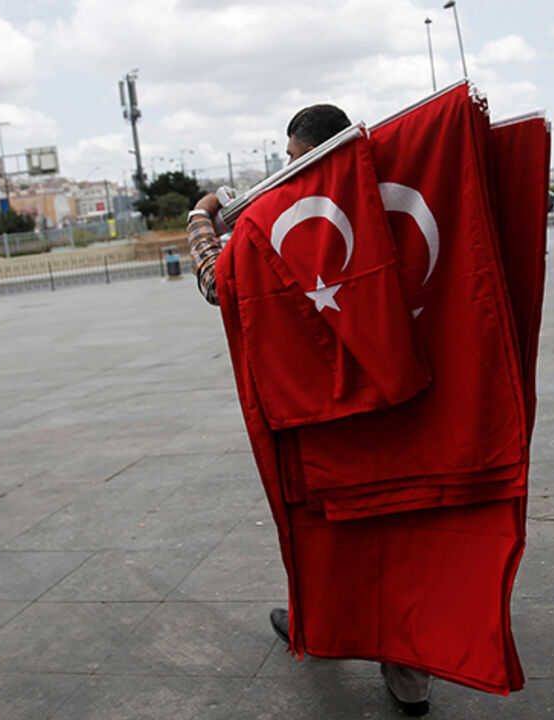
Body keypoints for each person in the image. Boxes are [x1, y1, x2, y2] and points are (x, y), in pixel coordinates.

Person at [185, 103, 434, 716]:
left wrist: (200, 215)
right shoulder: (388, 200)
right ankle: (409, 671)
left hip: (320, 411)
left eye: (294, 160)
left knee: (327, 526)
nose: (289, 171)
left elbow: (219, 282)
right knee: (398, 528)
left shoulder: (278, 223)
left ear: (305, 153)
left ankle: (322, 625)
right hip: (400, 403)